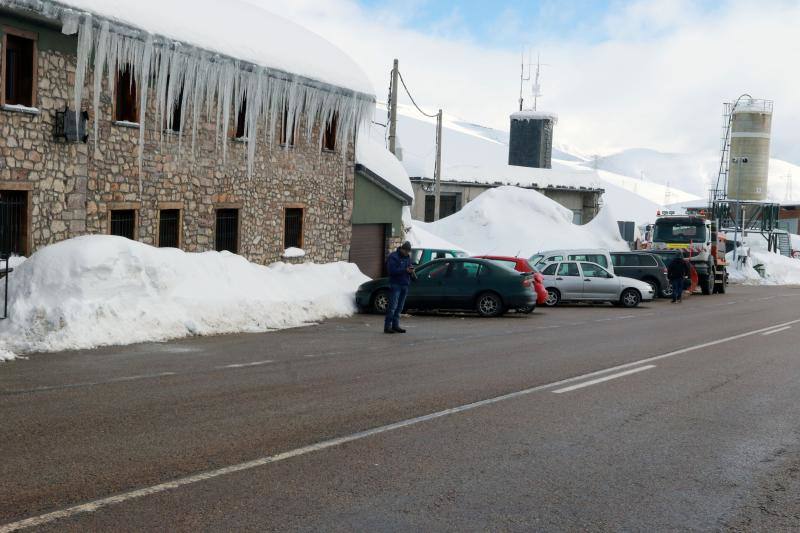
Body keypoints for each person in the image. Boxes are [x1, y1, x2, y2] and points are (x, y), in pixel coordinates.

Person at [384, 241, 416, 334]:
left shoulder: (407, 257)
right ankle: (387, 326)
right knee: (392, 306)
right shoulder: (393, 257)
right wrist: (405, 270)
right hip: (395, 284)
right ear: (402, 249)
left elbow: (409, 267)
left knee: (400, 307)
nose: (407, 253)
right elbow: (391, 271)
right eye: (406, 251)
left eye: (408, 252)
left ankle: (395, 325)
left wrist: (411, 271)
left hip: (405, 284)